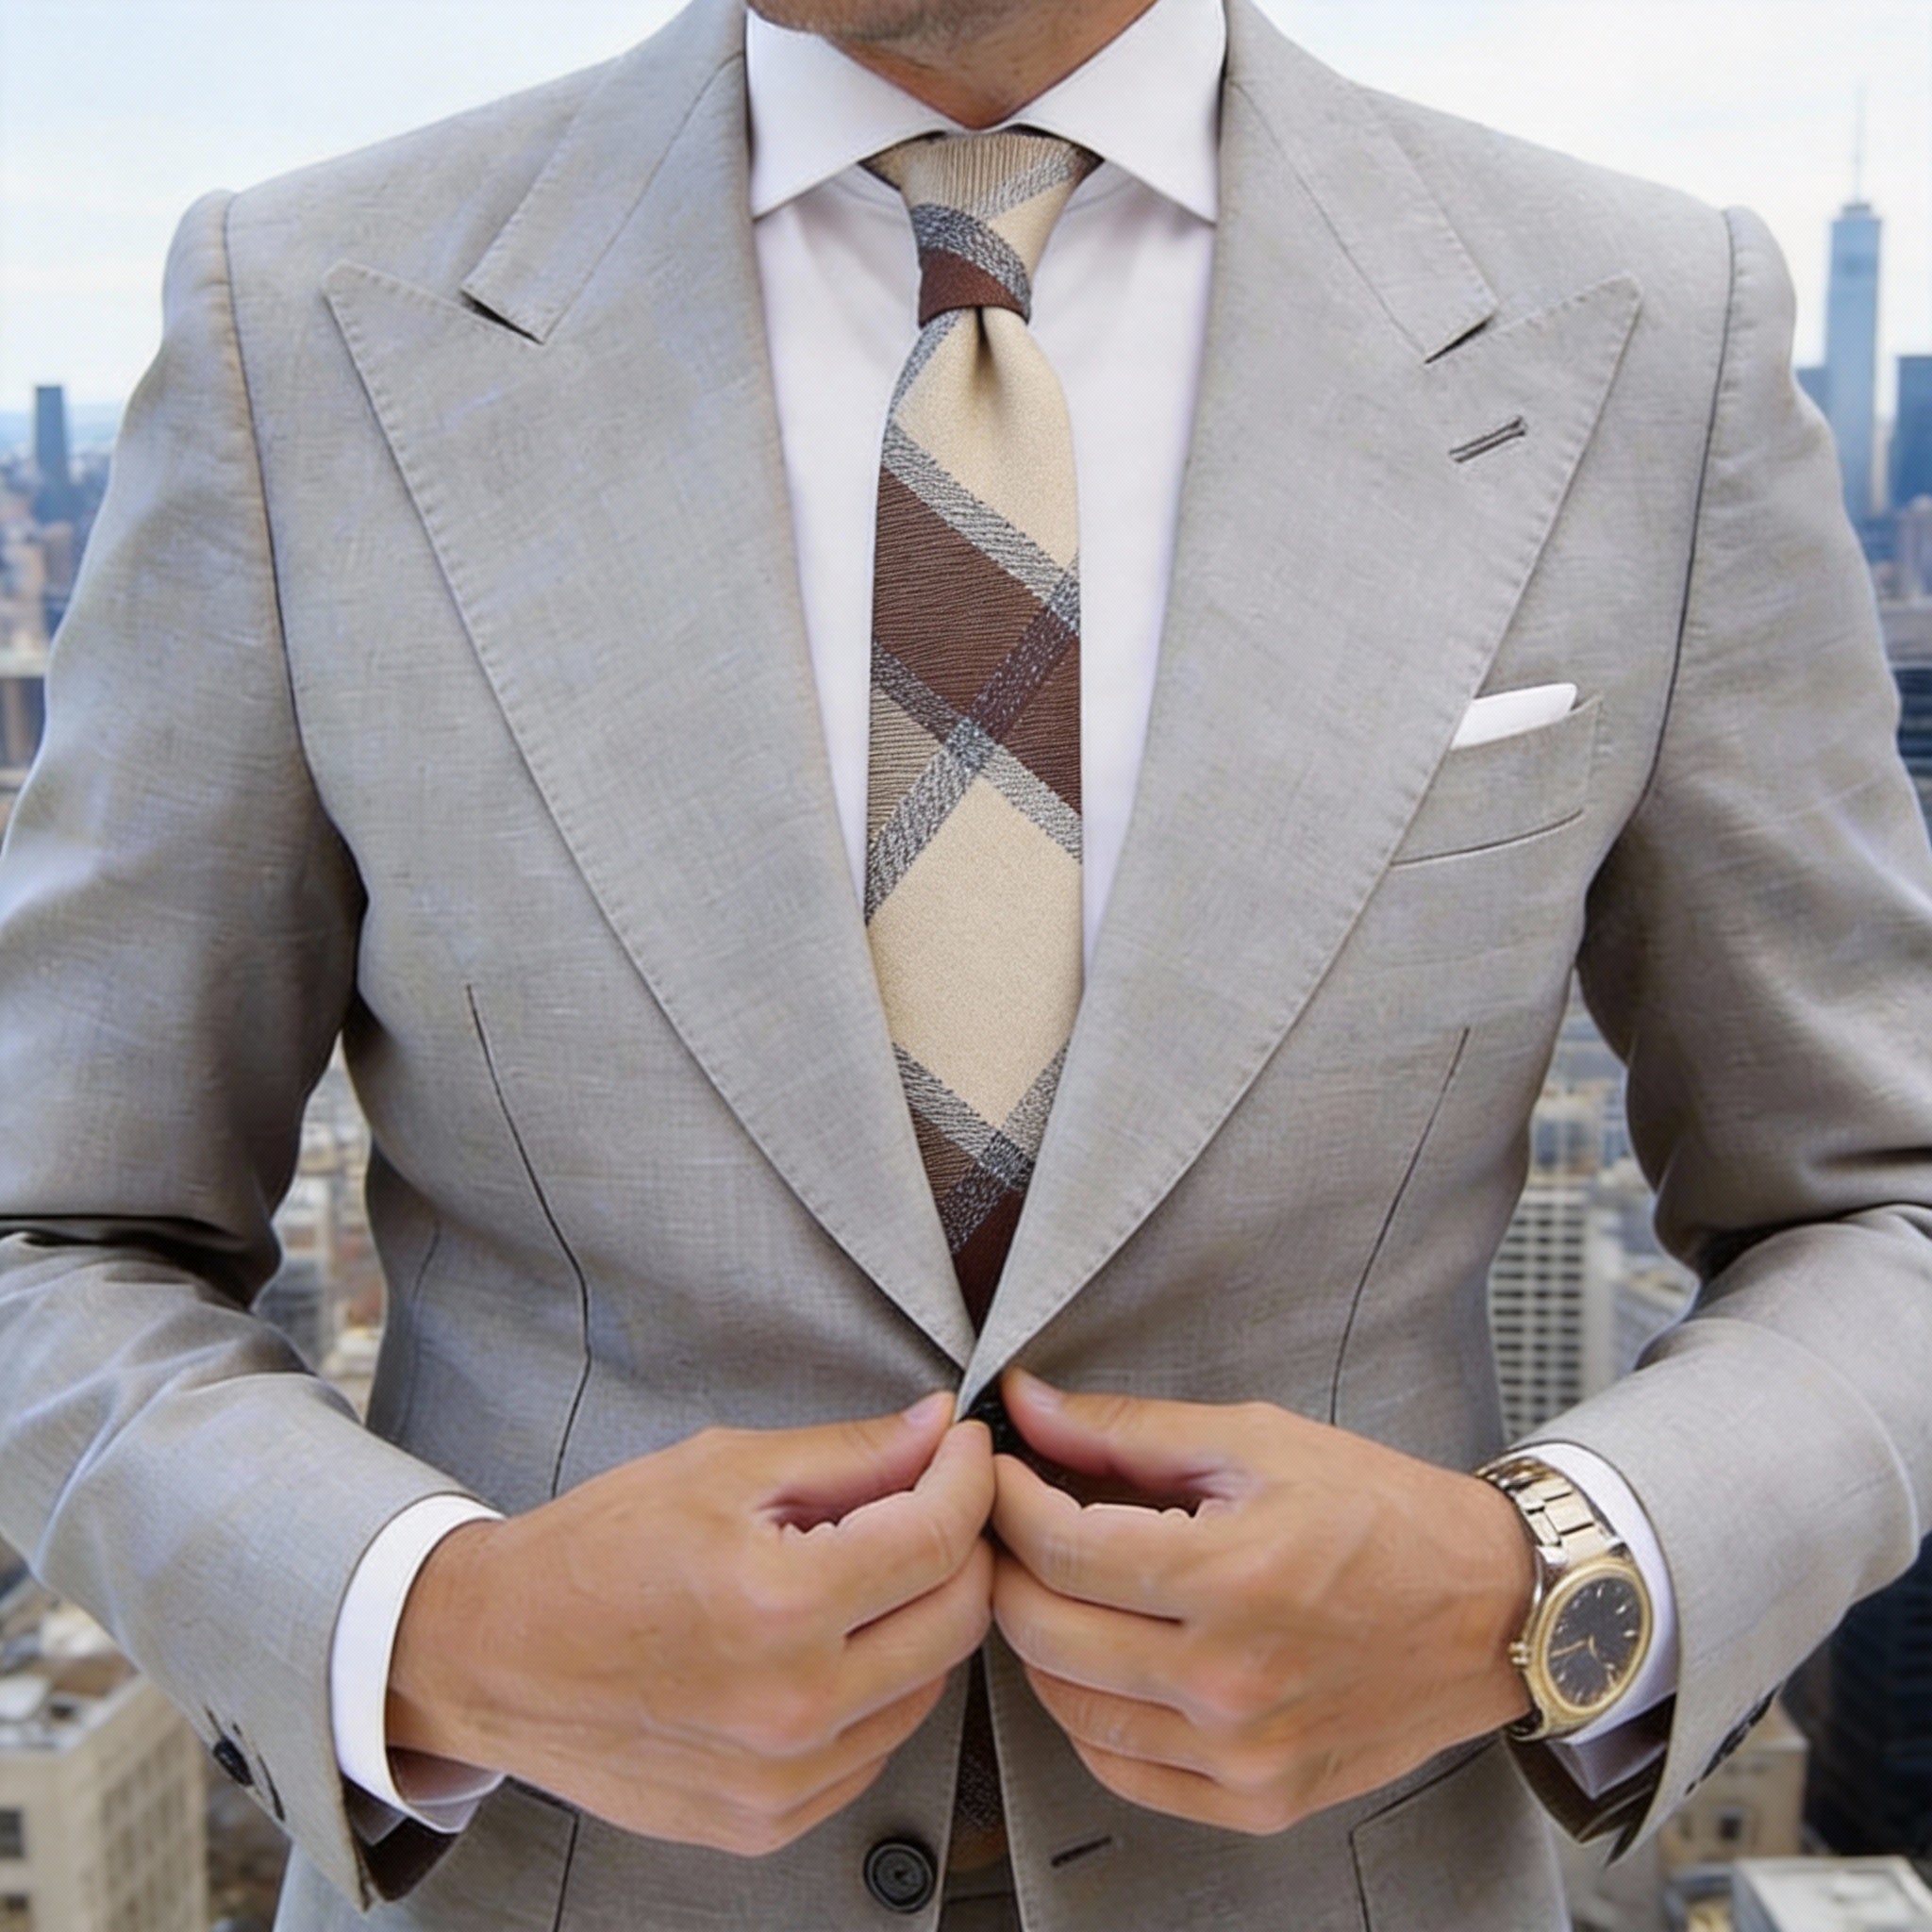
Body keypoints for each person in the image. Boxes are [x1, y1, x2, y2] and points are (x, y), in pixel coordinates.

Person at [1, 0, 1928, 1924]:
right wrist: (444, 1628)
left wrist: (1540, 1588)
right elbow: (57, 1236)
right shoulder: (307, 320)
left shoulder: (1647, 332)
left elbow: (1881, 1204)